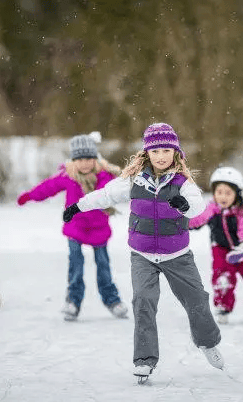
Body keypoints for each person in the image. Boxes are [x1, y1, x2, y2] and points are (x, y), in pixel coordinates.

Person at [63, 122, 224, 381]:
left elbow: (197, 205)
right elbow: (105, 195)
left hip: (177, 256)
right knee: (143, 302)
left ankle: (207, 342)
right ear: (147, 153)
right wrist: (78, 206)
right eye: (156, 151)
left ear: (176, 153)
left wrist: (184, 205)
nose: (161, 156)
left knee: (197, 300)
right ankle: (144, 360)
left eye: (166, 151)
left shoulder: (183, 182)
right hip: (143, 255)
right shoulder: (133, 181)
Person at [17, 131, 128, 321]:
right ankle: (73, 302)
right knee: (76, 266)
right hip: (75, 228)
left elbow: (123, 190)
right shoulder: (68, 176)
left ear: (95, 159)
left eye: (89, 158)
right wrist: (29, 196)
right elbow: (47, 188)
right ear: (73, 160)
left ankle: (112, 300)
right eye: (80, 159)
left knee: (103, 266)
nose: (85, 163)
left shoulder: (105, 177)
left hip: (99, 228)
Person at [189, 166, 243, 324]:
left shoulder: (241, 212)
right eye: (219, 192)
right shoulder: (211, 209)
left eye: (228, 193)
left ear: (237, 194)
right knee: (222, 276)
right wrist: (183, 222)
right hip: (220, 249)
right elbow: (198, 220)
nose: (223, 197)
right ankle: (223, 306)